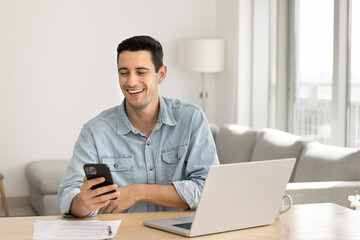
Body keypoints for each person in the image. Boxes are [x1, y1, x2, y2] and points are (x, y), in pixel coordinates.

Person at [58, 35, 219, 217]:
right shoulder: (94, 132)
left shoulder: (191, 119)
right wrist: (83, 203)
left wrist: (138, 192)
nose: (131, 82)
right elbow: (67, 195)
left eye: (141, 72)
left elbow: (208, 189)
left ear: (162, 74)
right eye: (124, 72)